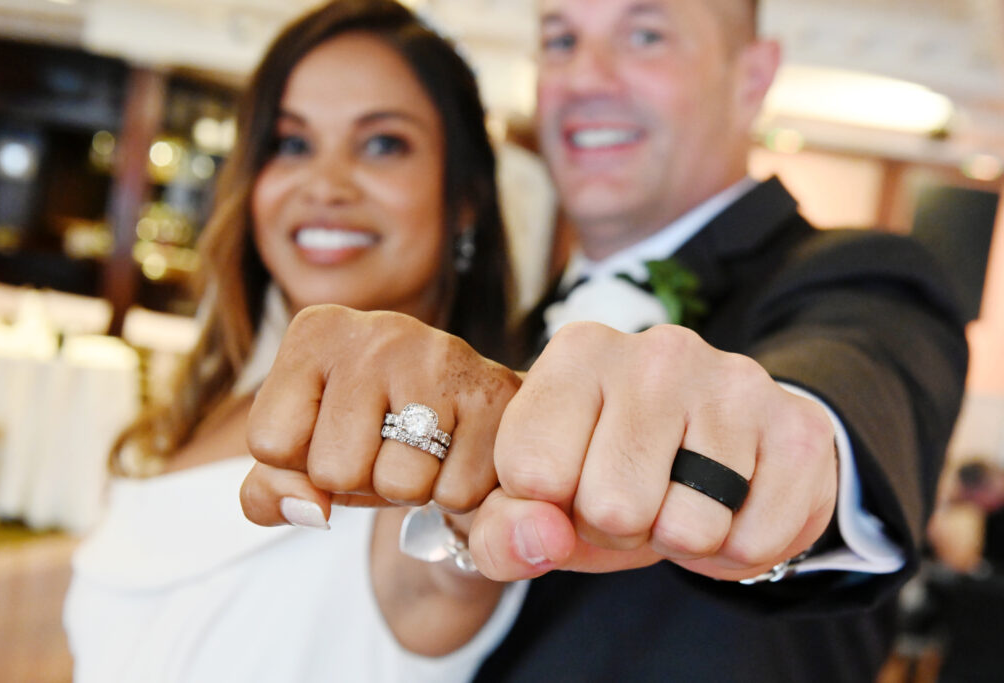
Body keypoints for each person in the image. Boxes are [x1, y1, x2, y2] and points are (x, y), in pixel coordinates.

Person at [241, 0, 969, 680]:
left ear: (752, 78)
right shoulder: (498, 343)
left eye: (644, 33)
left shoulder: (861, 277)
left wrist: (791, 457)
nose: (585, 77)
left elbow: (837, 400)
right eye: (561, 40)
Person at [63, 1, 529, 680]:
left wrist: (476, 478)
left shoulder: (446, 461)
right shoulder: (215, 403)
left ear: (465, 199)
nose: (325, 185)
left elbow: (457, 561)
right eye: (291, 143)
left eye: (382, 143)